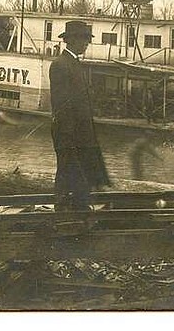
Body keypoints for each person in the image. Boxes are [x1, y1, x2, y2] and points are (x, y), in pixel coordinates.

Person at [49, 20, 110, 211]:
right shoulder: (60, 65)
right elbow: (61, 104)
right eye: (84, 39)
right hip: (68, 130)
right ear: (71, 40)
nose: (87, 43)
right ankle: (64, 207)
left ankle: (77, 206)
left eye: (87, 39)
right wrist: (68, 135)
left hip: (80, 130)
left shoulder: (73, 64)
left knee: (78, 168)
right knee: (68, 167)